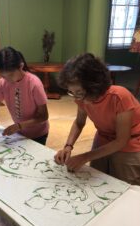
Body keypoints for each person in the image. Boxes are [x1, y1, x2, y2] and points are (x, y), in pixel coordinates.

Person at [54, 53, 140, 185]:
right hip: (103, 137)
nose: (77, 98)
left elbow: (121, 141)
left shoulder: (119, 96)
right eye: (72, 92)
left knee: (125, 186)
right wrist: (68, 146)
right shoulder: (81, 98)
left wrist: (85, 156)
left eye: (80, 93)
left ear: (94, 86)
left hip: (130, 142)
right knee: (96, 180)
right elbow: (79, 122)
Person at [0, 46, 49, 145]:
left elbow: (44, 116)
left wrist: (19, 126)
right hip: (20, 133)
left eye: (10, 75)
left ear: (21, 66)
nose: (7, 79)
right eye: (3, 76)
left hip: (38, 134)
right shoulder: (3, 83)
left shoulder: (34, 83)